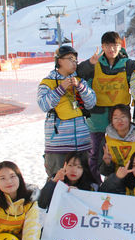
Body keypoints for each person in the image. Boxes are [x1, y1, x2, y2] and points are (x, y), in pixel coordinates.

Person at [77, 31, 135, 179]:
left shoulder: (127, 64)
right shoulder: (95, 62)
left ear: (120, 46)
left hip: (120, 115)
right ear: (102, 47)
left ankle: (117, 180)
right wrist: (89, 64)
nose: (111, 49)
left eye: (115, 45)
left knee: (120, 151)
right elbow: (78, 72)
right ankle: (95, 182)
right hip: (97, 116)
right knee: (95, 152)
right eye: (108, 46)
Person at [37, 45, 96, 179]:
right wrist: (60, 89)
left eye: (75, 60)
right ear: (59, 61)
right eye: (70, 59)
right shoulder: (48, 82)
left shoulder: (79, 81)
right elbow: (43, 105)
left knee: (85, 181)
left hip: (82, 143)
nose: (74, 63)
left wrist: (80, 87)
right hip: (59, 146)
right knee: (58, 182)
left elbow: (91, 102)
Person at [100, 104, 135, 177]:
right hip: (115, 179)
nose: (119, 121)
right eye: (115, 118)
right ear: (111, 121)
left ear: (130, 118)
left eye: (123, 117)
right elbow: (103, 172)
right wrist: (107, 163)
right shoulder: (106, 140)